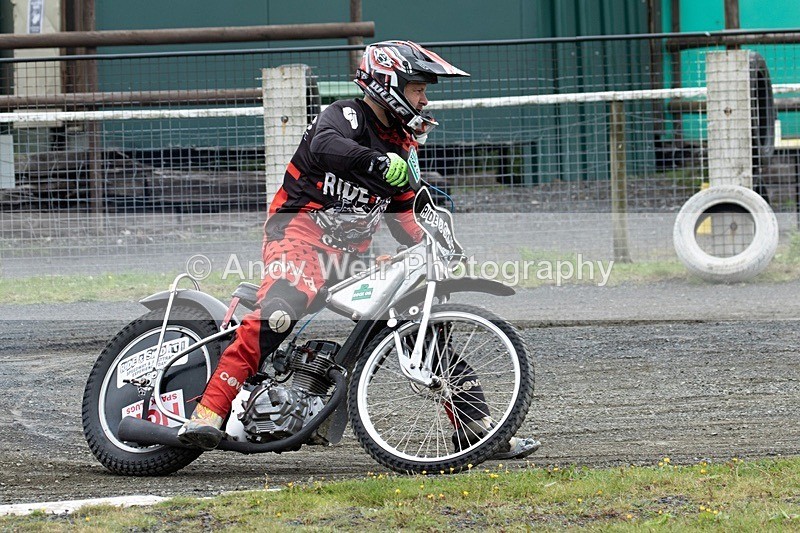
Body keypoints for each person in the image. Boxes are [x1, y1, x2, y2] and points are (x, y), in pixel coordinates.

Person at [177, 40, 540, 460]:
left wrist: (432, 244)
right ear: (389, 83)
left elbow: (405, 217)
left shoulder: (404, 145)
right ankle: (207, 413)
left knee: (425, 323)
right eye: (418, 88)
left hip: (351, 256)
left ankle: (476, 434)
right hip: (296, 234)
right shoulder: (345, 115)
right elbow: (325, 147)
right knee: (284, 309)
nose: (425, 99)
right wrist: (377, 163)